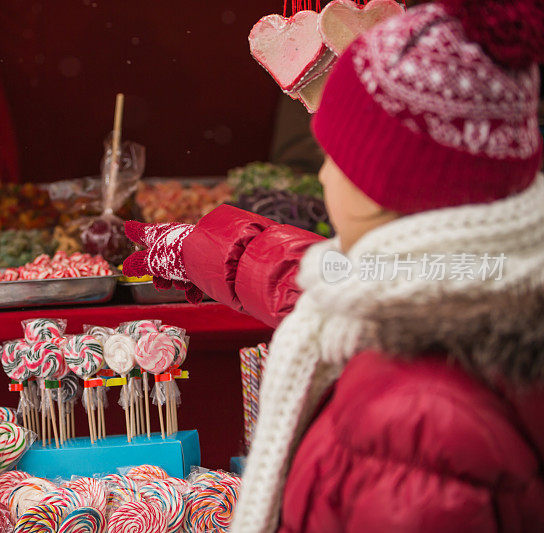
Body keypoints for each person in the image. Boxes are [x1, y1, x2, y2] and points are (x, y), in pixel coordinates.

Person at [123, 0, 544, 531]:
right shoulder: (477, 288)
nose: (322, 181)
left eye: (332, 159)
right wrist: (202, 250)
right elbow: (322, 280)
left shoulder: (415, 422)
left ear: (380, 188)